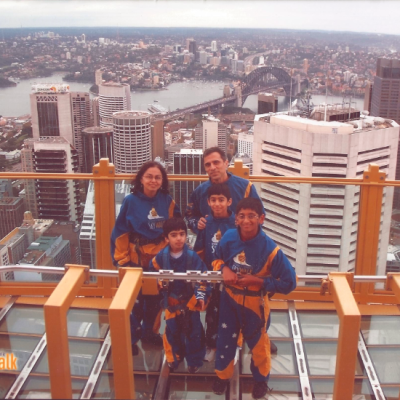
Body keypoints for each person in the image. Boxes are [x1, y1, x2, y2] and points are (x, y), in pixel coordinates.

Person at [211, 198, 296, 399]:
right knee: (224, 342)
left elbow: (289, 282)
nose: (246, 220)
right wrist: (223, 269)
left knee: (258, 345)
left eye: (252, 216)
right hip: (229, 300)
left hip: (254, 304)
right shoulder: (229, 238)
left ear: (262, 219)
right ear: (236, 220)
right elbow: (216, 258)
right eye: (241, 216)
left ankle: (260, 380)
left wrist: (259, 282)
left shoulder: (270, 249)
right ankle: (222, 376)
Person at [110, 161, 181, 354]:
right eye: (149, 176)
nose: (153, 180)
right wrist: (121, 260)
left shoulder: (166, 200)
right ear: (141, 179)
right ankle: (130, 338)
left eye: (158, 177)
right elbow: (120, 231)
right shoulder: (130, 201)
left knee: (156, 298)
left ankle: (150, 332)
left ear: (162, 181)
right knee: (134, 300)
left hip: (159, 258)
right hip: (136, 257)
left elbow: (177, 225)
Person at [149, 218, 211, 373]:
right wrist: (160, 289)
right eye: (174, 235)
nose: (179, 238)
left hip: (190, 302)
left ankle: (194, 361)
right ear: (166, 238)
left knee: (194, 333)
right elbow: (151, 276)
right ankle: (173, 358)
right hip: (171, 303)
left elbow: (203, 278)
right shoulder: (160, 258)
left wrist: (201, 296)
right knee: (171, 332)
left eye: (182, 234)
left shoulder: (192, 257)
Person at [193, 183, 236, 361]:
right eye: (213, 200)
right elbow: (200, 250)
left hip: (233, 277)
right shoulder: (207, 224)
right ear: (208, 202)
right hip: (212, 277)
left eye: (221, 200)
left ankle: (232, 347)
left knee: (232, 313)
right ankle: (211, 345)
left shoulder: (236, 223)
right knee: (212, 314)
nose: (217, 204)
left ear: (229, 201)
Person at [185, 147, 262, 234]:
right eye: (208, 165)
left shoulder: (246, 187)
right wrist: (197, 223)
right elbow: (189, 215)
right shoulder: (199, 191)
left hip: (240, 241)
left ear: (226, 163)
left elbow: (260, 214)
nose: (212, 167)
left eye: (216, 162)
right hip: (209, 242)